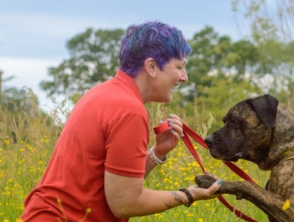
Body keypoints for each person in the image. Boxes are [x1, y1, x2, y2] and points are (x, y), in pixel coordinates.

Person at [20, 21, 222, 222]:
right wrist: (189, 195)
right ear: (151, 66)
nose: (184, 77)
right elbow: (124, 203)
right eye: (179, 67)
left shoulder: (102, 92)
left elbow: (116, 187)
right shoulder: (129, 111)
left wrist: (157, 152)